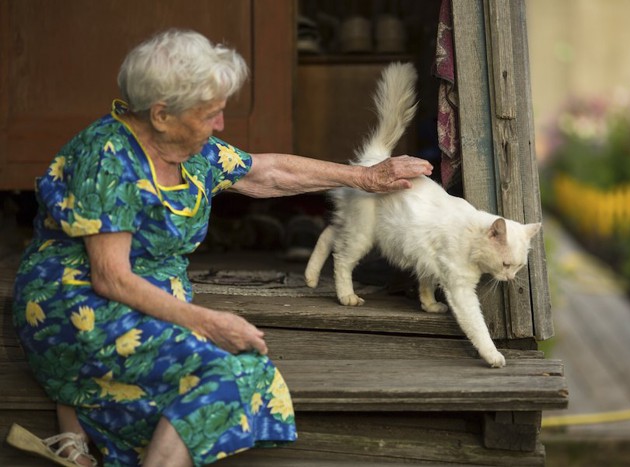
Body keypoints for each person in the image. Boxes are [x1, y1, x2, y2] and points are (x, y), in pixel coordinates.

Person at [7, 28, 432, 467]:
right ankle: (81, 416)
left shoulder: (191, 149)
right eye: (210, 114)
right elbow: (110, 276)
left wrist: (364, 177)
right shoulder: (109, 158)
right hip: (79, 304)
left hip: (145, 300)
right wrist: (208, 322)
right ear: (161, 115)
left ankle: (79, 430)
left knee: (234, 371)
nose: (220, 125)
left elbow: (264, 173)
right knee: (230, 374)